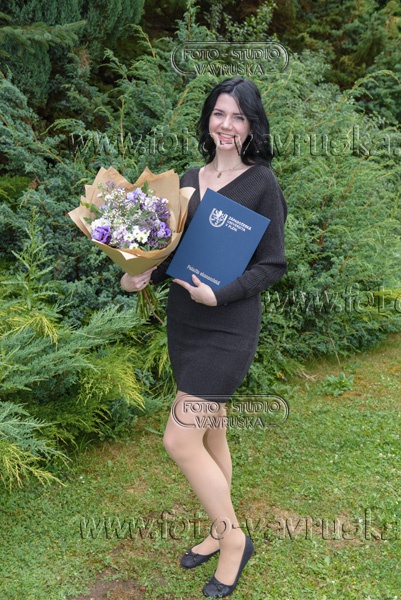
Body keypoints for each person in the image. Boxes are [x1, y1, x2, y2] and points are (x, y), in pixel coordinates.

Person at [121, 77, 287, 597]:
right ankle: (219, 531)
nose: (227, 125)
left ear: (252, 125)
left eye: (238, 116)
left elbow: (272, 264)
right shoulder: (190, 179)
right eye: (219, 113)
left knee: (180, 438)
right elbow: (173, 250)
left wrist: (222, 295)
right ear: (208, 119)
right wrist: (137, 273)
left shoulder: (261, 184)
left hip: (228, 326)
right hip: (185, 324)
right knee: (212, 430)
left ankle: (234, 541)